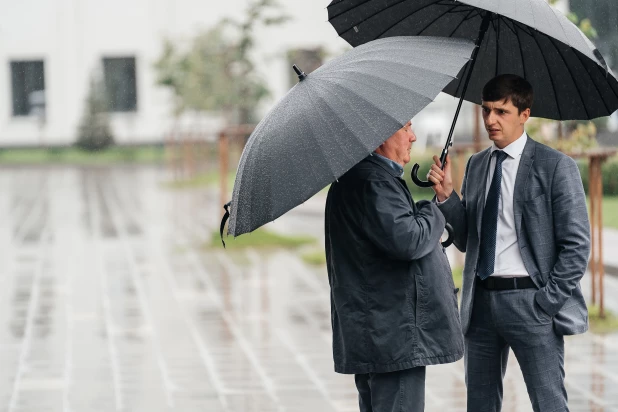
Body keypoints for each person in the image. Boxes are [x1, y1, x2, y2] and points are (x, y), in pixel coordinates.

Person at [428, 74, 590, 412]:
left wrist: (546, 302)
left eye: (501, 112)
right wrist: (447, 198)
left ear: (525, 114)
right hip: (481, 304)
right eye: (487, 110)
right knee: (480, 405)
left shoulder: (556, 167)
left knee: (549, 404)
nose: (490, 120)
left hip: (531, 303)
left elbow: (576, 247)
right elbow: (468, 240)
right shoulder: (477, 165)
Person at [325, 120, 464, 412]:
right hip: (392, 337)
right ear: (379, 137)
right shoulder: (372, 182)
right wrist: (430, 209)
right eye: (405, 128)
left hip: (379, 333)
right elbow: (409, 240)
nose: (413, 137)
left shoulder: (360, 178)